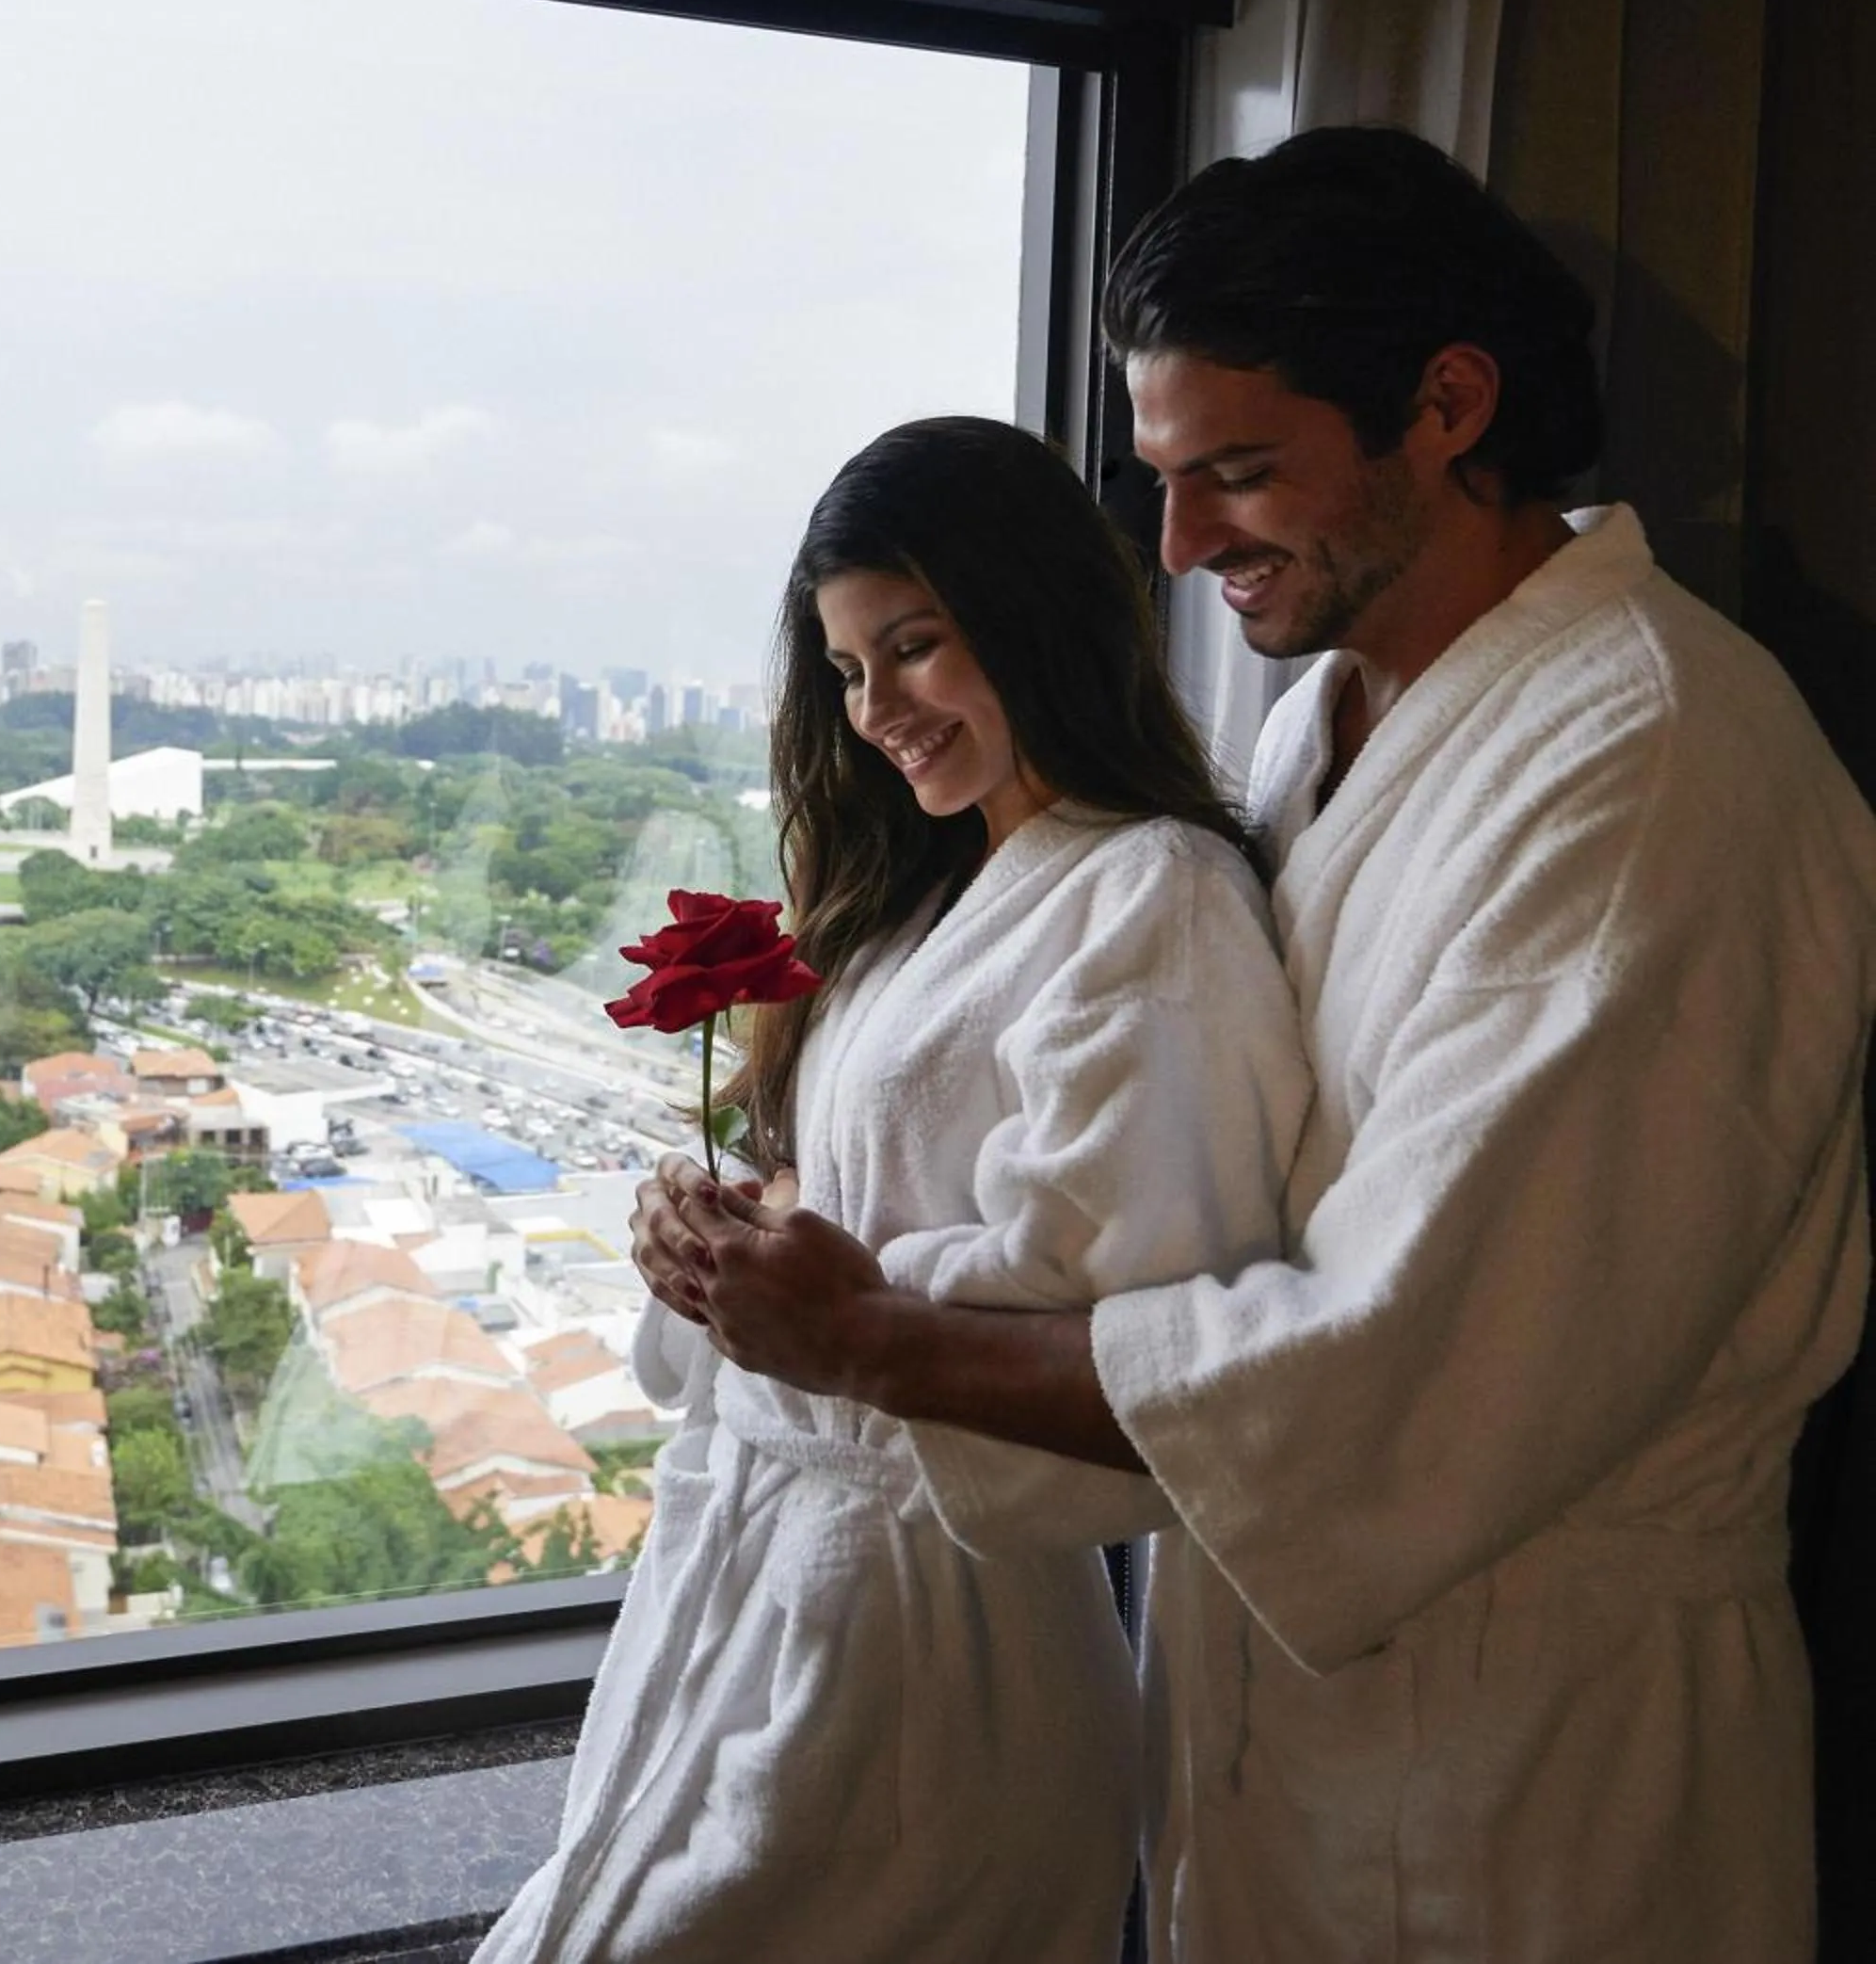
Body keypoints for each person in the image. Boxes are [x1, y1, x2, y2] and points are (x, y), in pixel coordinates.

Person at [648, 127, 1876, 1961]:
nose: (1179, 543)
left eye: (1238, 472)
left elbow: (1409, 1369)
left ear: (1447, 405)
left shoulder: (1650, 768)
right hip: (1281, 1716)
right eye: (1162, 478)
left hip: (1541, 1763)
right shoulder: (1333, 727)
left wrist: (866, 1335)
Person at [476, 417, 1309, 1963]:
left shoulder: (1156, 900)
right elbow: (845, 1193)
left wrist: (828, 1291)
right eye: (851, 671)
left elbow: (1141, 1327)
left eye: (915, 647)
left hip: (929, 1641)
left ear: (1037, 608)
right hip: (757, 1574)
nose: (879, 712)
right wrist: (718, 1234)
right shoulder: (930, 893)